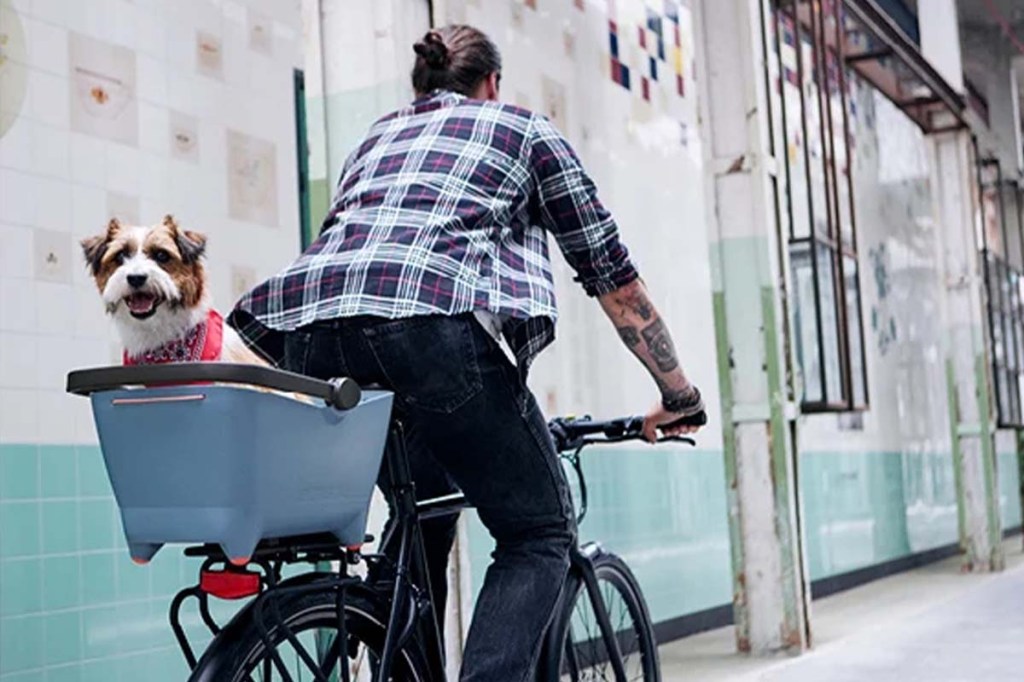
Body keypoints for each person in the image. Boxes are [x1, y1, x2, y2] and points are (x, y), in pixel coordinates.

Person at [229, 24, 706, 682]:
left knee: (423, 509)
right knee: (538, 530)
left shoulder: (374, 139)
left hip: (311, 335)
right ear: (492, 85)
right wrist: (679, 393)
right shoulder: (522, 130)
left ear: (418, 86)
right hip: (429, 332)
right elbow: (612, 276)